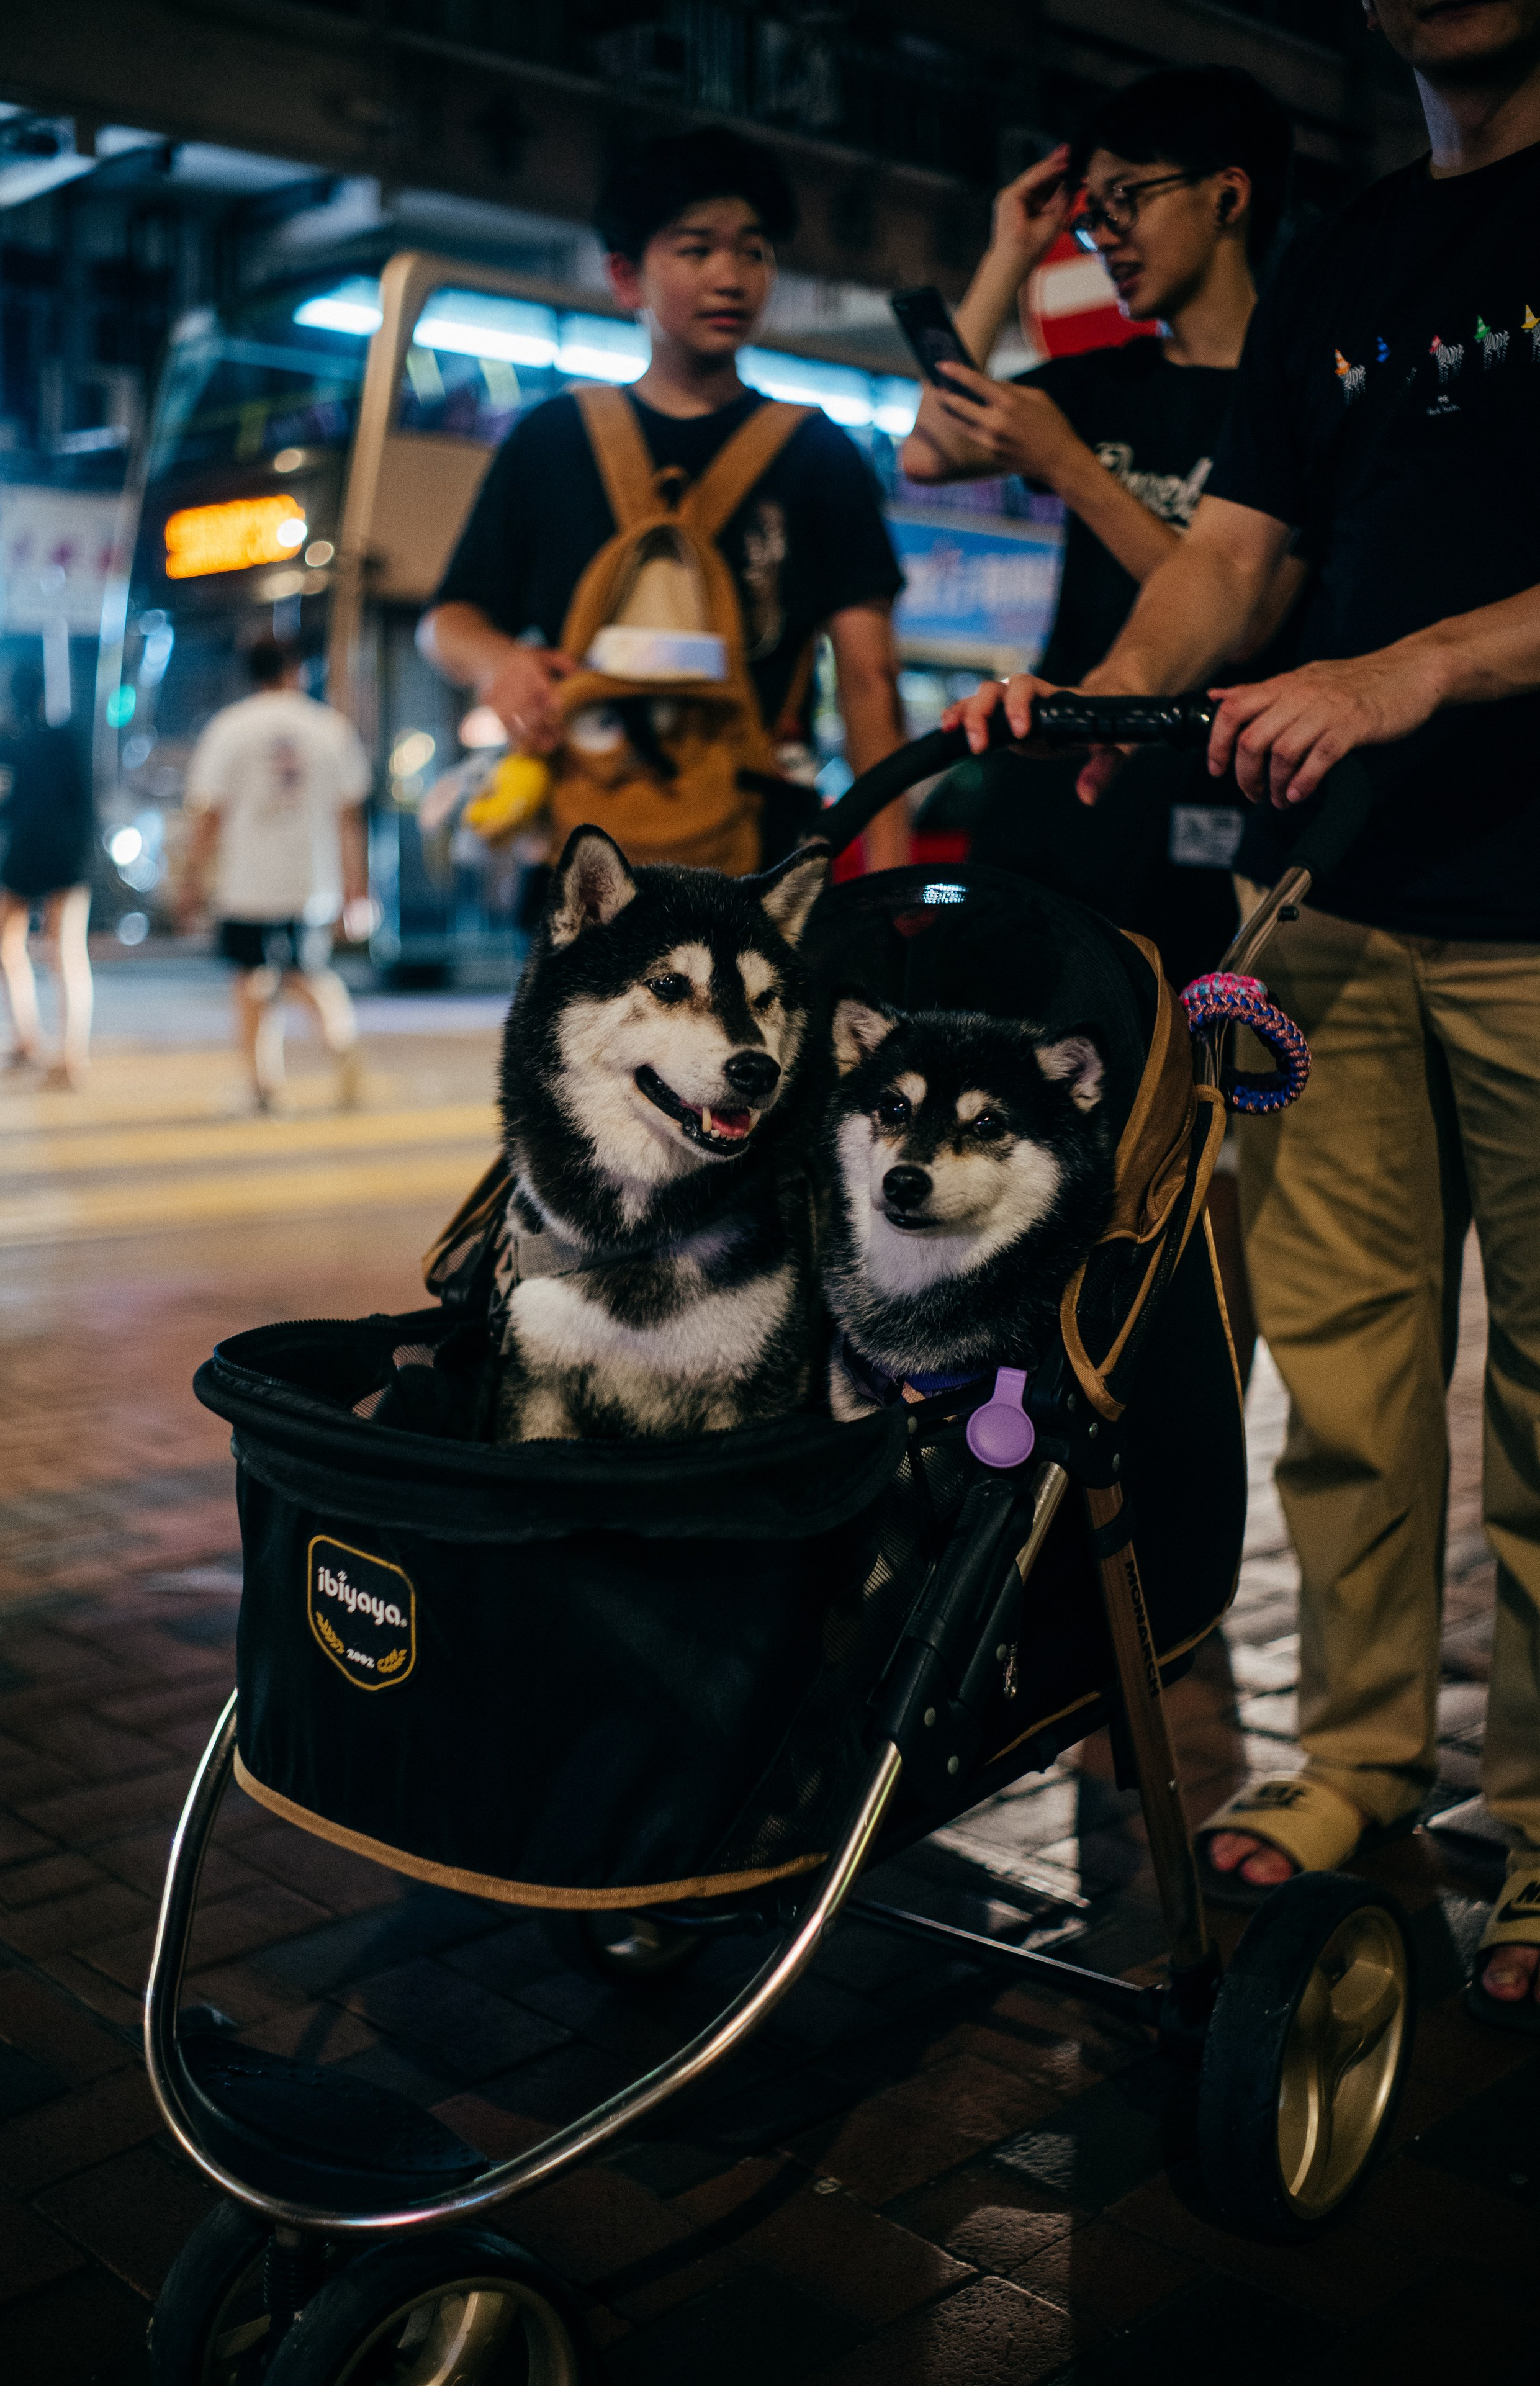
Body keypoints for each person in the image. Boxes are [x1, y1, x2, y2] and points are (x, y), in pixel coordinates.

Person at [951, 0, 1540, 2026]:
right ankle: (1360, 1762)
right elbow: (1238, 556)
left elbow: (1379, 634)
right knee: (1352, 1392)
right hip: (1331, 910)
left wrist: (1422, 668)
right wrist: (1105, 698)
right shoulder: (1364, 255)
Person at [904, 64, 1299, 1383]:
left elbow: (1239, 606)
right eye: (1092, 212)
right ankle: (1023, 1398)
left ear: (1228, 197)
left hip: (1217, 826)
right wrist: (1002, 255)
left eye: (1129, 199)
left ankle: (1175, 1409)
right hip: (1055, 805)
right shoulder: (1099, 377)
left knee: (1189, 1149)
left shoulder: (1297, 387)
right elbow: (927, 448)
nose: (1106, 233)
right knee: (1030, 1118)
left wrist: (1072, 471)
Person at [418, 127, 911, 873]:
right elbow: (448, 623)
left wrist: (897, 869)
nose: (731, 276)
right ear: (625, 277)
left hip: (646, 853)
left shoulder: (811, 450)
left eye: (754, 251)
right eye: (695, 249)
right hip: (708, 855)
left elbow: (873, 680)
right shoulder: (557, 441)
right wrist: (497, 662)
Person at [182, 641, 372, 1114]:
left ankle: (265, 1086)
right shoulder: (329, 728)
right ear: (297, 672)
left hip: (247, 881)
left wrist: (191, 878)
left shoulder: (229, 728)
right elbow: (349, 817)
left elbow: (209, 813)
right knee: (309, 973)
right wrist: (357, 888)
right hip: (312, 878)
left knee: (251, 980)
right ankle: (343, 1049)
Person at [0, 659, 94, 1089]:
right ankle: (72, 1056)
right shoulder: (67, 736)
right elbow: (86, 800)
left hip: (24, 855)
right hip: (67, 858)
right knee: (67, 954)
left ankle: (28, 1039)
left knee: (4, 947)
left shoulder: (1, 740)